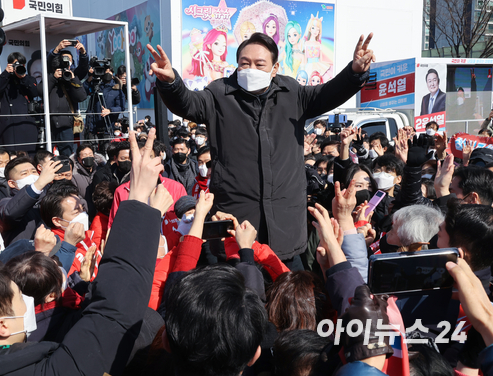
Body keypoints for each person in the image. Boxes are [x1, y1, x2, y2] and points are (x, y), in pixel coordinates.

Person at [0, 129, 163, 375]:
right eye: (20, 299)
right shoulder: (54, 369)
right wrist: (139, 198)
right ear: (2, 326)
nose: (29, 303)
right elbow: (113, 311)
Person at [148, 31, 374, 263]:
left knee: (286, 295)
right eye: (245, 64)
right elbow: (187, 103)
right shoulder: (219, 94)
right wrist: (171, 82)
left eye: (259, 64)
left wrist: (354, 72)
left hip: (285, 229)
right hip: (236, 225)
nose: (251, 69)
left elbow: (330, 93)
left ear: (274, 68)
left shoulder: (293, 93)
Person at [0, 157, 62, 245]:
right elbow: (10, 213)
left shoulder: (48, 197)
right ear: (12, 183)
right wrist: (38, 184)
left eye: (33, 172)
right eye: (24, 173)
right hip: (25, 256)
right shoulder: (5, 203)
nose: (31, 175)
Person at [38, 54, 87, 156]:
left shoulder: (70, 78)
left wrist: (73, 79)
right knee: (47, 156)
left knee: (67, 156)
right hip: (49, 124)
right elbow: (40, 92)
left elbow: (81, 97)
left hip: (66, 125)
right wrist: (53, 78)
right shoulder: (49, 78)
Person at [0, 52, 39, 155]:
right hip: (8, 125)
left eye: (21, 65)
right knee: (9, 155)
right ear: (9, 65)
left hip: (26, 124)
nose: (17, 67)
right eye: (15, 65)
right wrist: (6, 73)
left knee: (28, 155)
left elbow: (35, 92)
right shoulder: (3, 78)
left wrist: (23, 77)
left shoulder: (29, 79)